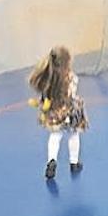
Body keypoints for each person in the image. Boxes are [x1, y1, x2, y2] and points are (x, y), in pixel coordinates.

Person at [27, 46, 88, 179]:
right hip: (70, 112)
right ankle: (74, 162)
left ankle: (51, 160)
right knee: (74, 135)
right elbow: (71, 94)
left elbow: (47, 95)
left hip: (55, 111)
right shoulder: (71, 77)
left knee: (55, 136)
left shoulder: (49, 79)